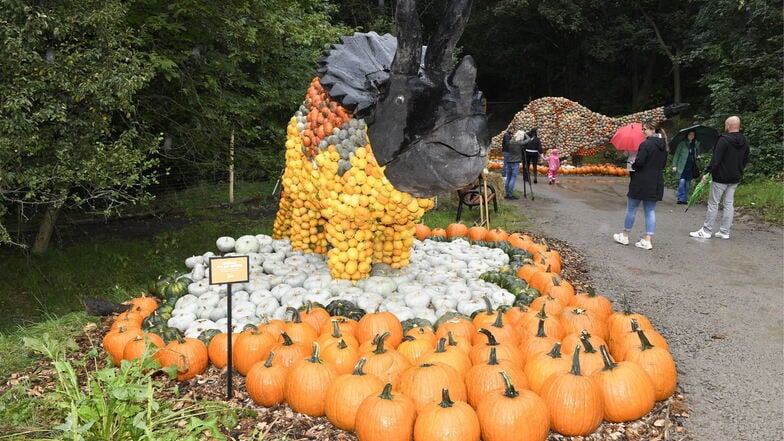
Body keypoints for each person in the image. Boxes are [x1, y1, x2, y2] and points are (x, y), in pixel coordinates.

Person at [690, 116, 750, 239]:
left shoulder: (723, 140)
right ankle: (724, 232)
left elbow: (716, 160)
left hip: (720, 177)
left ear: (728, 125)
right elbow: (745, 159)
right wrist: (739, 170)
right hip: (735, 177)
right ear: (738, 126)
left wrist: (707, 173)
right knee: (729, 204)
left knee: (713, 203)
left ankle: (706, 230)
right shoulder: (745, 140)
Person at [613, 120, 668, 250]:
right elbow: (663, 164)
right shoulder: (664, 146)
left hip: (641, 181)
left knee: (631, 208)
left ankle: (625, 235)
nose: (643, 131)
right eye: (643, 129)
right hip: (656, 181)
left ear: (652, 130)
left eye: (645, 129)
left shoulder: (645, 144)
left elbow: (639, 162)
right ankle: (647, 240)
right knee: (650, 211)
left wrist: (634, 164)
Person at [671, 130, 701, 204]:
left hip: (691, 167)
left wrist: (698, 156)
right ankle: (680, 198)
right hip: (681, 166)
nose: (691, 136)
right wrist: (674, 165)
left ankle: (685, 199)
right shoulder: (682, 144)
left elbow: (697, 154)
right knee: (681, 182)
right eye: (690, 134)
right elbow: (677, 155)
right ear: (687, 135)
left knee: (687, 184)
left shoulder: (695, 145)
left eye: (693, 135)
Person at [504, 130, 526, 199]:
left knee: (508, 178)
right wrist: (525, 134)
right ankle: (510, 195)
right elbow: (528, 140)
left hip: (509, 161)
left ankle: (507, 194)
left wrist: (515, 135)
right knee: (513, 178)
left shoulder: (511, 141)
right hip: (515, 162)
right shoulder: (519, 143)